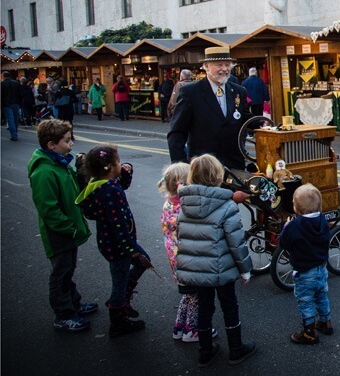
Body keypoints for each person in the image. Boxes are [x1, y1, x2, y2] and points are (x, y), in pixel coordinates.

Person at [176, 154, 256, 367]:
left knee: (204, 307)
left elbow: (183, 237)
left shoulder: (184, 205)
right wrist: (245, 270)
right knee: (229, 306)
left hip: (198, 269)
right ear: (218, 176)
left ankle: (205, 351)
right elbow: (236, 242)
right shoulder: (226, 206)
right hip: (222, 269)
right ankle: (236, 348)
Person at [27, 119, 97, 332]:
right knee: (61, 273)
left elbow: (74, 188)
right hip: (59, 232)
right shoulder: (44, 172)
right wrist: (70, 227)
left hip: (67, 229)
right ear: (51, 145)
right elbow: (48, 209)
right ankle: (63, 315)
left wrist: (80, 168)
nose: (71, 144)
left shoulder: (59, 163)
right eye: (67, 141)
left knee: (68, 269)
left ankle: (73, 304)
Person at [75, 145, 149, 337]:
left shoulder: (100, 184)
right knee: (121, 278)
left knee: (139, 265)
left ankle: (123, 300)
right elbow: (118, 226)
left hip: (110, 243)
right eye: (118, 161)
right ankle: (118, 319)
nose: (120, 163)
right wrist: (131, 249)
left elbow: (122, 184)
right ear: (109, 167)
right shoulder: (111, 191)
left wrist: (126, 172)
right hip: (118, 246)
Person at [168, 47, 251, 170]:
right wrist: (180, 168)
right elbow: (177, 133)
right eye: (219, 65)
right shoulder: (190, 92)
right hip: (203, 168)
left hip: (234, 166)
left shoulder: (239, 91)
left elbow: (245, 118)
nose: (225, 69)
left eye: (227, 65)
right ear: (206, 66)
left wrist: (263, 122)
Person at [159, 162, 212, 343]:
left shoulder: (168, 204)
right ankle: (192, 330)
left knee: (188, 294)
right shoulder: (183, 208)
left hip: (176, 258)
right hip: (188, 258)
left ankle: (179, 326)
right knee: (197, 295)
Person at [279, 184, 333, 345]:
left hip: (304, 272)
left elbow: (284, 244)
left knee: (305, 300)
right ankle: (325, 322)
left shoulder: (295, 226)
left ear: (296, 208)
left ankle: (309, 332)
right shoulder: (323, 220)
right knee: (321, 296)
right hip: (322, 269)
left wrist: (286, 227)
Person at [1, 71, 22, 141]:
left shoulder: (2, 84)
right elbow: (20, 94)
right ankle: (15, 132)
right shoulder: (16, 83)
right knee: (15, 119)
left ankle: (14, 135)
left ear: (3, 76)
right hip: (16, 103)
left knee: (10, 119)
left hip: (6, 104)